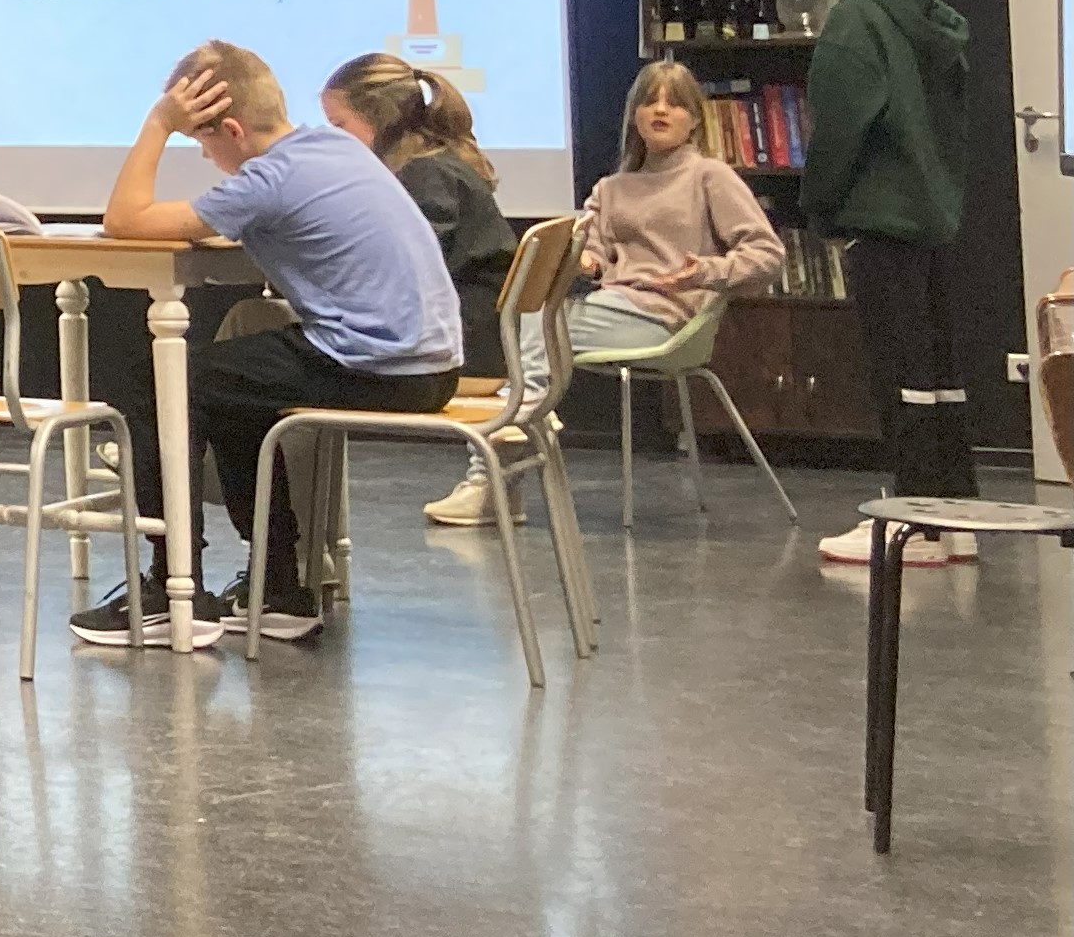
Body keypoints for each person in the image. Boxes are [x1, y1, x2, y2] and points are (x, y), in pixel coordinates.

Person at [86, 39, 463, 649]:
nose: (205, 155)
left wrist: (158, 121)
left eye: (202, 141)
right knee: (234, 388)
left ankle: (171, 588)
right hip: (425, 364)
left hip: (379, 365)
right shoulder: (334, 147)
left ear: (231, 130)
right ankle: (276, 586)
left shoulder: (271, 179)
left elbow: (123, 221)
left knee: (159, 382)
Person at [429, 58, 782, 530]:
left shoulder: (710, 177)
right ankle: (513, 448)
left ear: (695, 119)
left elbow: (766, 254)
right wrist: (586, 261)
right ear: (634, 115)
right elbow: (591, 249)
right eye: (650, 102)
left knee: (537, 326)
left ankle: (499, 463)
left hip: (666, 316)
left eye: (674, 104)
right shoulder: (611, 188)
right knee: (530, 318)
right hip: (610, 305)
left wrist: (704, 272)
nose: (660, 110)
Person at [802, 0, 979, 560]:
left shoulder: (855, 20)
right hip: (935, 216)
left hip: (881, 220)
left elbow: (840, 130)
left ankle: (912, 526)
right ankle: (955, 519)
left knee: (898, 378)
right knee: (938, 376)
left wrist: (820, 208)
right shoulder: (936, 19)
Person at [320, 54, 513, 372]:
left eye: (339, 125)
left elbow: (407, 272)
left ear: (378, 117)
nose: (334, 138)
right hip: (468, 340)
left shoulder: (424, 174)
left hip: (454, 351)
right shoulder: (434, 161)